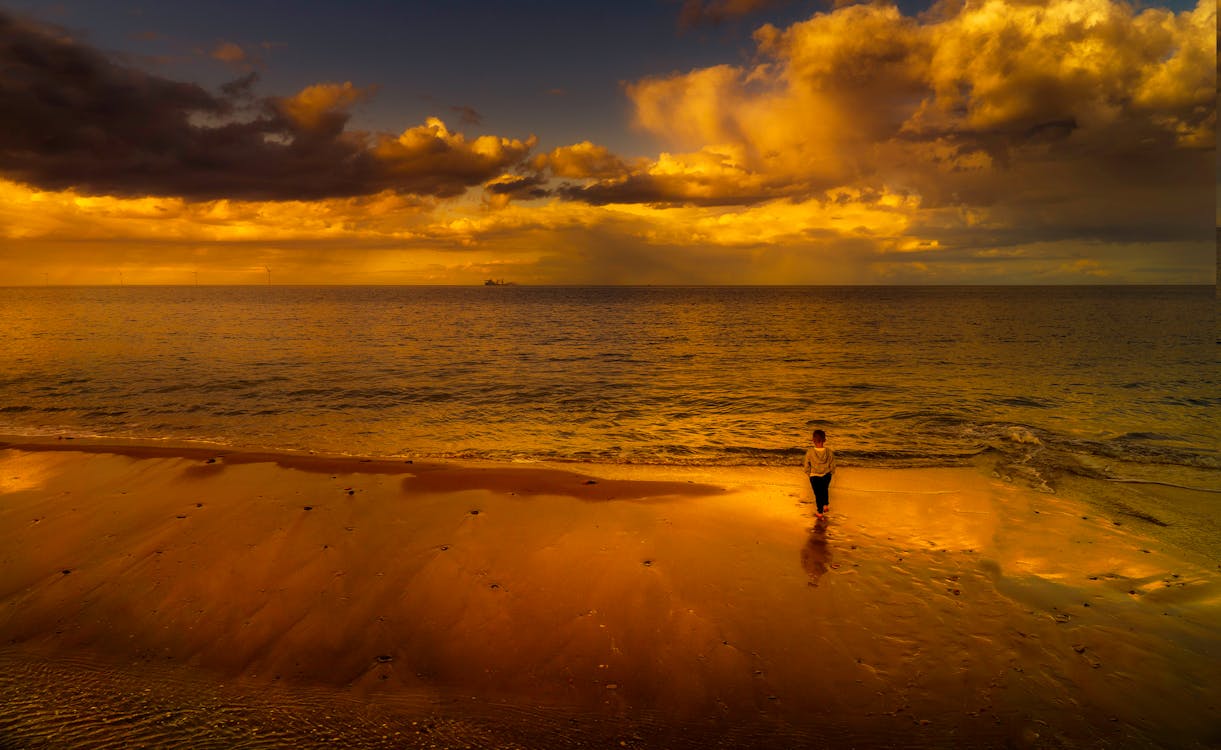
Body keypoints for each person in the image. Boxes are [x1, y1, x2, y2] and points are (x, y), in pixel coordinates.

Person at [802, 429, 835, 518]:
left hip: (814, 476)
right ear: (824, 440)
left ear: (813, 440)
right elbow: (832, 464)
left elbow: (806, 464)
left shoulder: (810, 452)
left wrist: (809, 473)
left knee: (818, 493)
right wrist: (831, 472)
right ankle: (825, 505)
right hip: (826, 475)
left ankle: (820, 512)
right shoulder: (828, 452)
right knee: (824, 489)